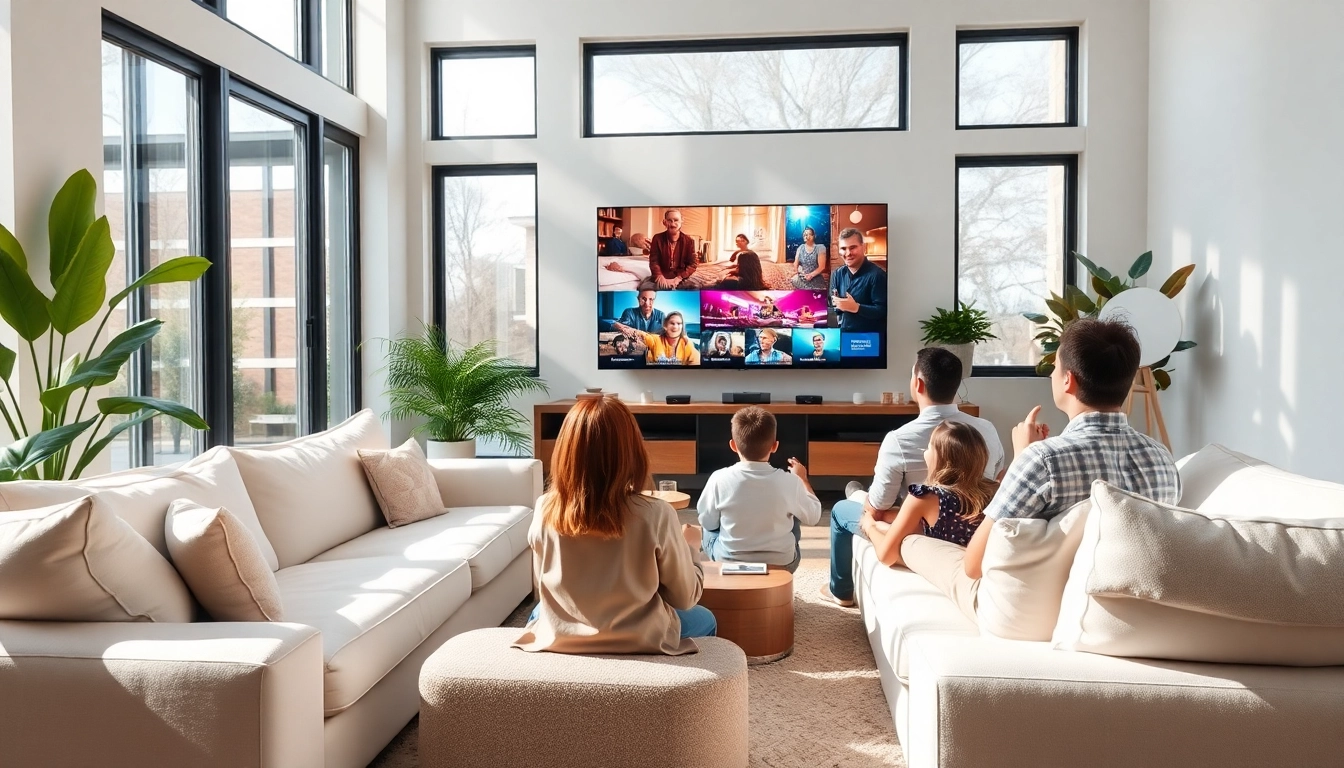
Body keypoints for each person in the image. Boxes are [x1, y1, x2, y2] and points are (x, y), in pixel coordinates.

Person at [900, 318, 1182, 622]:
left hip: (1046, 613)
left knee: (912, 541)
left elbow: (974, 564)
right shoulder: (1162, 457)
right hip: (1136, 612)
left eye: (1055, 366)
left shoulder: (1042, 459)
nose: (1052, 374)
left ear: (1068, 381)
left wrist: (1023, 456)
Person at [514, 397, 716, 655]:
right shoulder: (656, 513)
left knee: (538, 611)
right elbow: (684, 598)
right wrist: (691, 552)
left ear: (566, 451)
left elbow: (543, 588)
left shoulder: (545, 508)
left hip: (562, 637)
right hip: (639, 638)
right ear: (631, 450)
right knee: (706, 619)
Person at [822, 347, 1004, 606]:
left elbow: (879, 506)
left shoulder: (900, 439)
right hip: (970, 523)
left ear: (918, 383)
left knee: (844, 510)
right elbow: (994, 480)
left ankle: (841, 591)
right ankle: (857, 493)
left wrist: (871, 516)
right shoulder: (986, 429)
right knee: (876, 504)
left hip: (921, 524)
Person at [693, 407, 822, 572]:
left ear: (733, 445)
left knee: (707, 527)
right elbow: (814, 516)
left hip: (729, 561)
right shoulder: (790, 481)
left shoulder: (718, 478)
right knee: (794, 511)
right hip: (782, 563)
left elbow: (708, 522)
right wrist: (802, 479)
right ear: (774, 446)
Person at [861, 421, 999, 568]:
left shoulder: (924, 497)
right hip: (976, 565)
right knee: (888, 519)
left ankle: (856, 494)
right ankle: (856, 492)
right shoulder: (995, 492)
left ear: (939, 458)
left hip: (942, 569)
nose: (925, 452)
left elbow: (886, 556)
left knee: (858, 515)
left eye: (929, 447)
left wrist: (869, 527)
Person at [829, 228, 886, 334]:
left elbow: (883, 311)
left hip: (868, 341)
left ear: (863, 247)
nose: (848, 253)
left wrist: (857, 308)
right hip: (843, 336)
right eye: (843, 248)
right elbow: (832, 304)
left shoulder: (878, 275)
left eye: (853, 247)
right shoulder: (837, 274)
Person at [613, 311, 701, 366]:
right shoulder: (655, 340)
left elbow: (697, 365)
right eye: (672, 323)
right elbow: (638, 333)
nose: (675, 327)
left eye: (679, 323)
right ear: (665, 326)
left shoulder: (687, 344)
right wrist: (619, 326)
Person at [645, 208, 698, 290]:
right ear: (664, 222)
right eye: (669, 220)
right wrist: (659, 276)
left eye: (676, 220)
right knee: (644, 289)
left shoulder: (689, 241)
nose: (673, 224)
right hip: (662, 276)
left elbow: (693, 264)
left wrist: (679, 278)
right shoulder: (657, 238)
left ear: (682, 221)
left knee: (693, 289)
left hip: (681, 277)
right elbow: (654, 261)